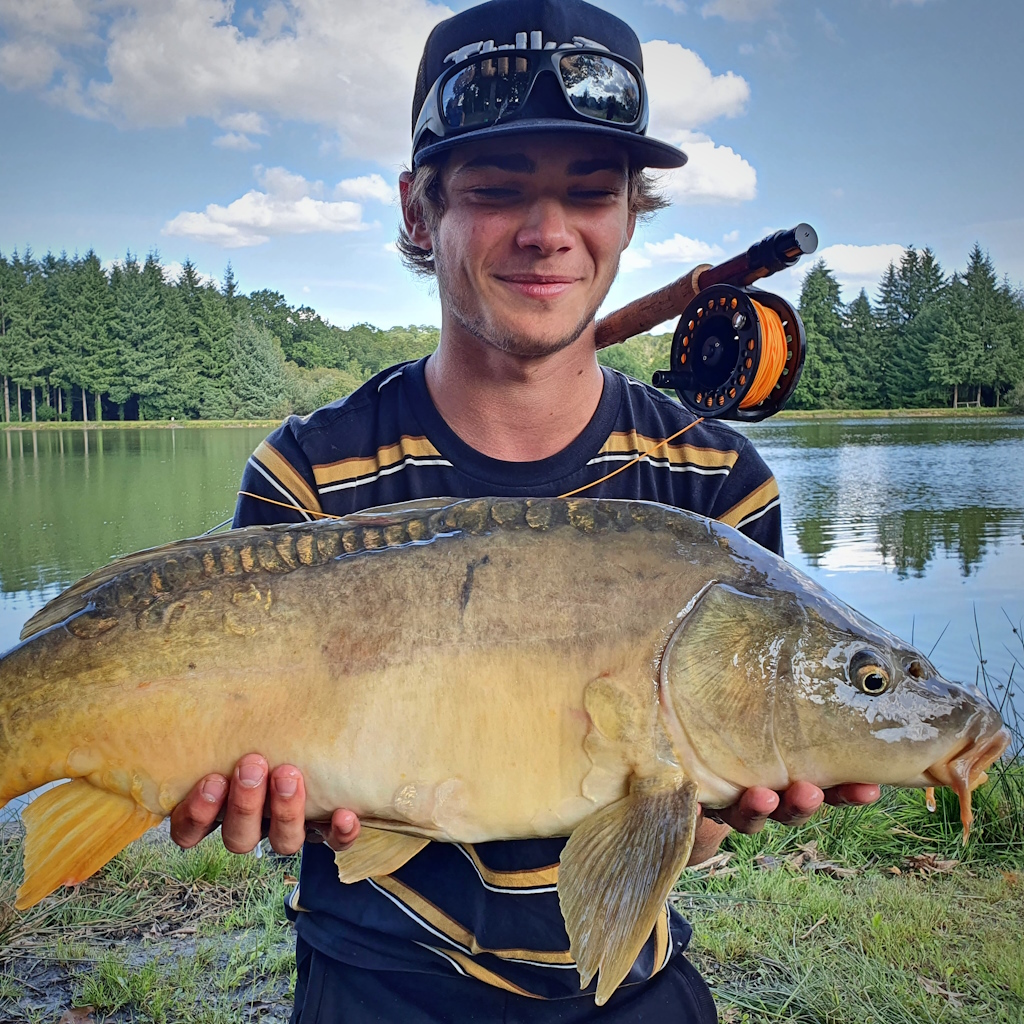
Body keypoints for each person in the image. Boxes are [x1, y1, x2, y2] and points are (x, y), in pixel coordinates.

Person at [170, 1, 879, 1019]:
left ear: (630, 215)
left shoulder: (715, 483)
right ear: (420, 213)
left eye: (589, 193)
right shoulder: (309, 472)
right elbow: (261, 787)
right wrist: (250, 796)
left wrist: (729, 791)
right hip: (371, 983)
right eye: (498, 192)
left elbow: (693, 824)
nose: (548, 234)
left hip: (628, 987)